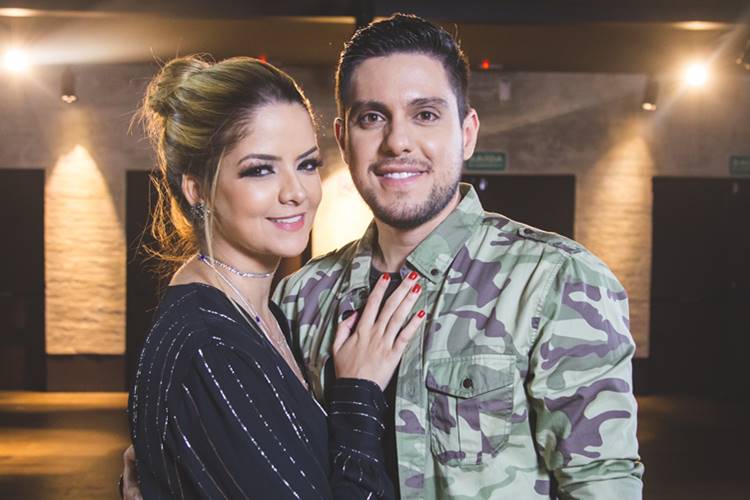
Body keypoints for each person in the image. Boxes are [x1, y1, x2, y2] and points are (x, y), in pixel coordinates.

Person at [125, 13, 644, 500]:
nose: (398, 141)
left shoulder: (555, 282)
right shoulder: (302, 297)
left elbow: (602, 483)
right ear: (343, 139)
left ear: (467, 133)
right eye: (372, 117)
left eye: (425, 114)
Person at [127, 54, 426, 499]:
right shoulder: (210, 346)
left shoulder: (260, 312)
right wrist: (358, 395)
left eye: (306, 164)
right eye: (260, 170)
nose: (297, 192)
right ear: (197, 189)